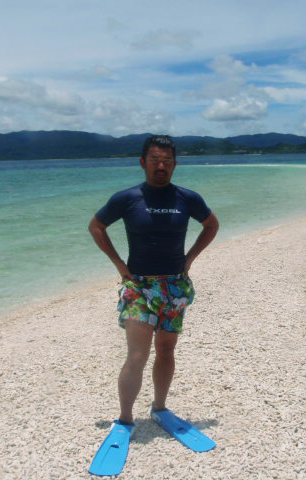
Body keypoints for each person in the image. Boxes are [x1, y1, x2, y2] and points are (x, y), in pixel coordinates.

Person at [88, 135, 219, 429]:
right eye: (155, 160)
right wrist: (118, 263)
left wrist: (190, 258)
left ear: (175, 164)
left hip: (174, 286)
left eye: (167, 161)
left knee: (166, 350)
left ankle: (160, 407)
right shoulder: (127, 198)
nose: (161, 166)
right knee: (137, 354)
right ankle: (125, 419)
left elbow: (211, 225)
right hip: (139, 287)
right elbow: (96, 226)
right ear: (142, 162)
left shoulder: (187, 198)